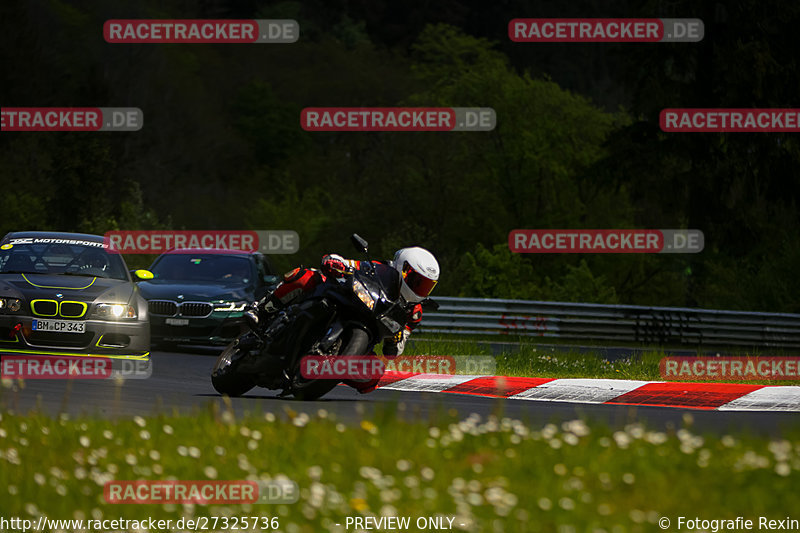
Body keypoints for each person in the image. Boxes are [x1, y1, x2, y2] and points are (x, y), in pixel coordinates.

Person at [247, 247, 440, 393]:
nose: (420, 289)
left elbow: (397, 347)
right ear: (404, 269)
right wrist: (336, 263)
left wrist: (396, 339)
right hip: (350, 302)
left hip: (370, 329)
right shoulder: (381, 269)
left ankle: (329, 371)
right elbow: (350, 264)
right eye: (417, 281)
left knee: (374, 375)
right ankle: (262, 309)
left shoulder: (413, 312)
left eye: (426, 286)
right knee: (306, 276)